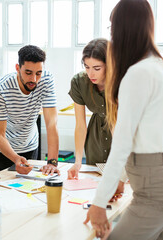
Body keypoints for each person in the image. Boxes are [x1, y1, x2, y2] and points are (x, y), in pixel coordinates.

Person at [84, 1, 163, 239]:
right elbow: (150, 135)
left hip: (154, 191)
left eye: (112, 28)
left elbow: (122, 143)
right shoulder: (161, 67)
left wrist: (98, 203)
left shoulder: (138, 73)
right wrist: (120, 179)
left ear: (123, 30)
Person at [0, 45, 59, 175]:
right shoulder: (1, 89)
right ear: (17, 68)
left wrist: (52, 162)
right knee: (3, 190)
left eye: (38, 73)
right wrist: (15, 158)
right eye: (28, 73)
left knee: (30, 188)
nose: (34, 79)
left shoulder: (46, 80)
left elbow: (51, 123)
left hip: (29, 145)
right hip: (2, 149)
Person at [67, 38, 112, 177]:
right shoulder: (79, 82)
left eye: (97, 68)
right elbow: (80, 125)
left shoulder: (122, 81)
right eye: (87, 67)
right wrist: (78, 162)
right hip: (95, 142)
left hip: (122, 139)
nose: (90, 74)